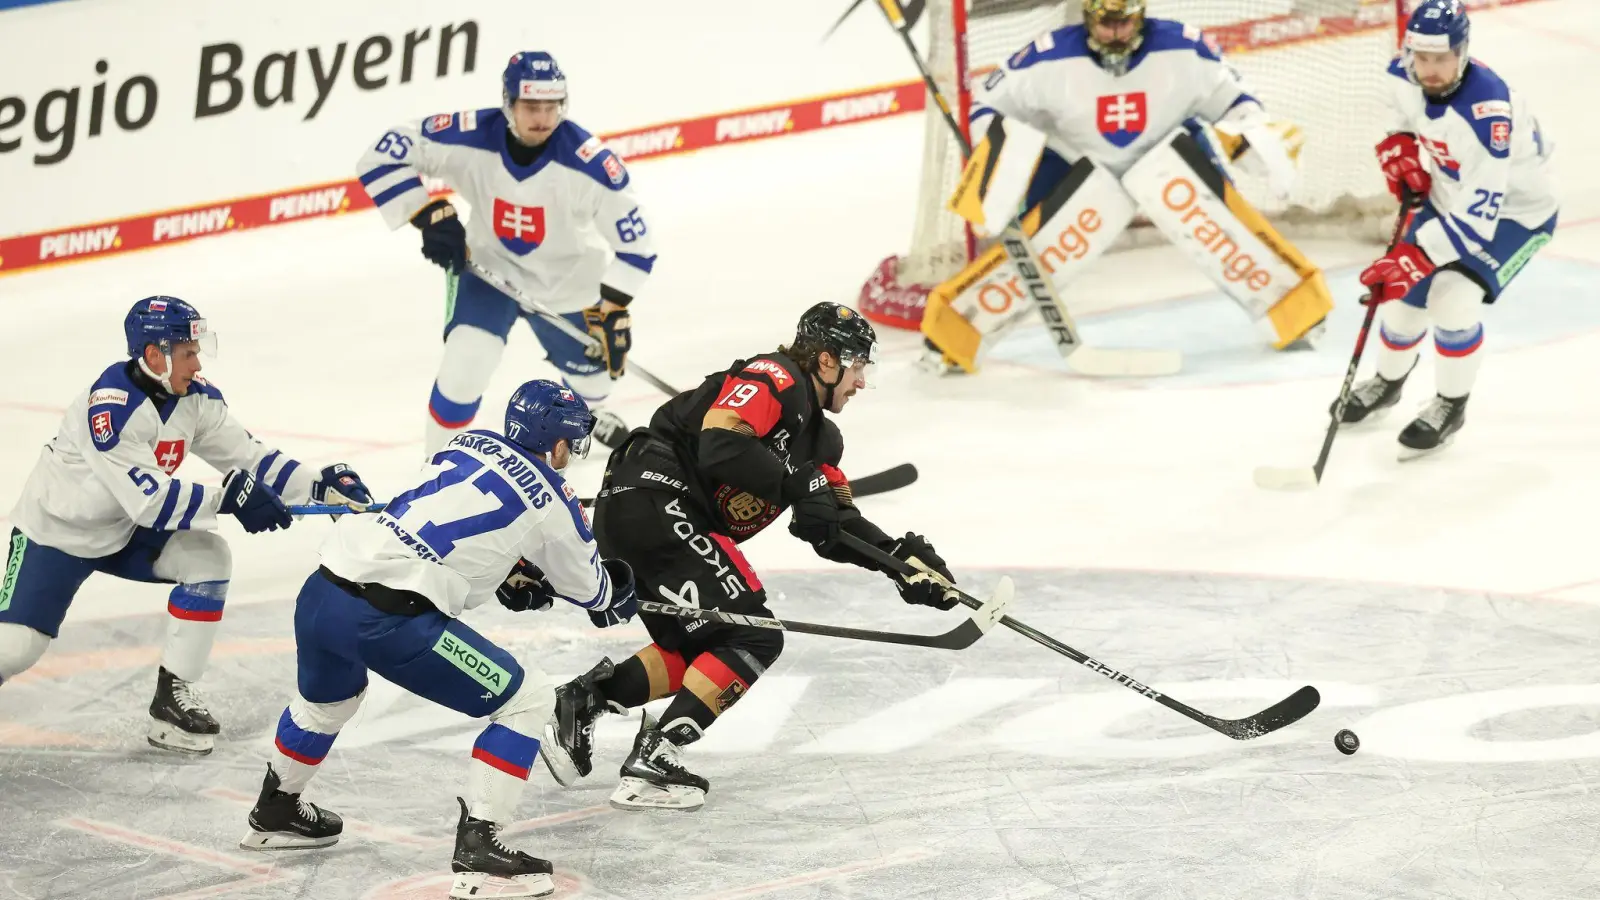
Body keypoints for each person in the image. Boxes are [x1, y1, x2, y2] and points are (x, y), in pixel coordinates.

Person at [540, 302, 963, 812]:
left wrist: (897, 562)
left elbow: (829, 526)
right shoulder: (774, 376)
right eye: (857, 367)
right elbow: (721, 442)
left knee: (713, 643)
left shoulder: (823, 440)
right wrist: (793, 482)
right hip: (654, 497)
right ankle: (656, 756)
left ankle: (587, 698)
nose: (861, 382)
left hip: (657, 514)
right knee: (753, 633)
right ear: (826, 361)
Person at [238, 380, 638, 900]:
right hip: (389, 620)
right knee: (529, 698)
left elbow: (448, 528)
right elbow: (596, 593)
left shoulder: (466, 442)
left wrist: (509, 574)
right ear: (558, 444)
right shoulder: (556, 498)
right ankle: (479, 852)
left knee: (328, 703)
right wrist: (621, 587)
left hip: (322, 593)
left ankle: (275, 809)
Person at [0, 296, 372, 754]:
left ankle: (170, 702)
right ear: (154, 355)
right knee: (15, 648)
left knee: (209, 559)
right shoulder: (111, 409)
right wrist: (230, 500)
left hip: (120, 530)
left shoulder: (195, 398)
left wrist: (318, 487)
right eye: (187, 351)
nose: (197, 362)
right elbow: (150, 503)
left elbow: (251, 459)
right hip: (54, 535)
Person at [919, 0, 1331, 371]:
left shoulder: (1186, 48)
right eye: (1106, 24)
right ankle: (952, 333)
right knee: (1042, 255)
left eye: (1124, 23)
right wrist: (997, 155)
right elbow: (987, 106)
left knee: (1223, 229)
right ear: (1087, 17)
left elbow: (1239, 102)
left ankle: (1297, 311)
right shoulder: (1046, 57)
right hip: (1075, 161)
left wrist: (1253, 136)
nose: (1115, 33)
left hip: (1168, 155)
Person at [355, 50, 657, 457]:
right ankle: (438, 466)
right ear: (508, 102)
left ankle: (591, 412)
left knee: (594, 383)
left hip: (567, 285)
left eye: (552, 107)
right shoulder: (470, 135)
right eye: (531, 106)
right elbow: (381, 154)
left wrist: (615, 305)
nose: (543, 118)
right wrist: (427, 213)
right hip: (490, 273)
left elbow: (637, 247)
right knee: (464, 369)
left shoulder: (592, 165)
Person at [1338, 0, 1558, 457]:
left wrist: (1415, 256)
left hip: (1514, 215)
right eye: (1423, 58)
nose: (1431, 70)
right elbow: (1396, 111)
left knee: (1452, 299)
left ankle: (1450, 405)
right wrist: (1397, 145)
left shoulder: (1485, 115)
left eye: (1442, 59)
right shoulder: (1403, 72)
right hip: (1448, 198)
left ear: (1462, 52)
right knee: (1400, 303)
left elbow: (1481, 216)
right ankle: (1388, 382)